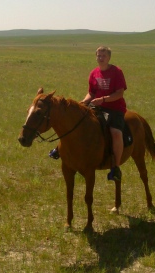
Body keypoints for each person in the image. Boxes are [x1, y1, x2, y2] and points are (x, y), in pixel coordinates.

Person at [49, 46, 127, 182]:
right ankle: (59, 149)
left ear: (109, 57)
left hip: (115, 108)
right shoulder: (94, 73)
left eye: (103, 56)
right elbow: (91, 93)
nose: (101, 58)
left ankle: (116, 167)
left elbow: (119, 93)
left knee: (116, 133)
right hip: (97, 105)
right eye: (98, 55)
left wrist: (103, 99)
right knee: (76, 121)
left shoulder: (117, 72)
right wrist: (83, 102)